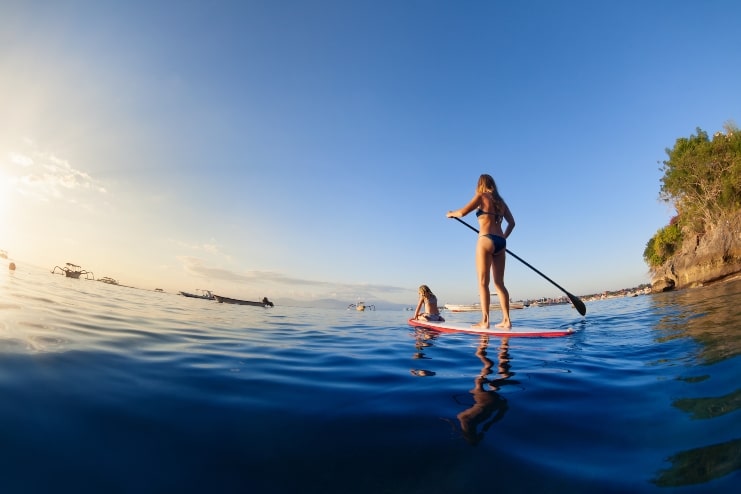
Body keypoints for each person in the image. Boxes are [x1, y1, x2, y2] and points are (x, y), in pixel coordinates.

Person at [447, 173, 515, 329]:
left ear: (480, 184)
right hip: (501, 243)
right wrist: (503, 238)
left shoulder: (481, 196)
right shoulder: (501, 202)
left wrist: (451, 213)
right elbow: (512, 223)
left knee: (483, 283)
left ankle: (485, 321)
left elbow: (463, 212)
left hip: (486, 240)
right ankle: (507, 320)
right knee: (500, 283)